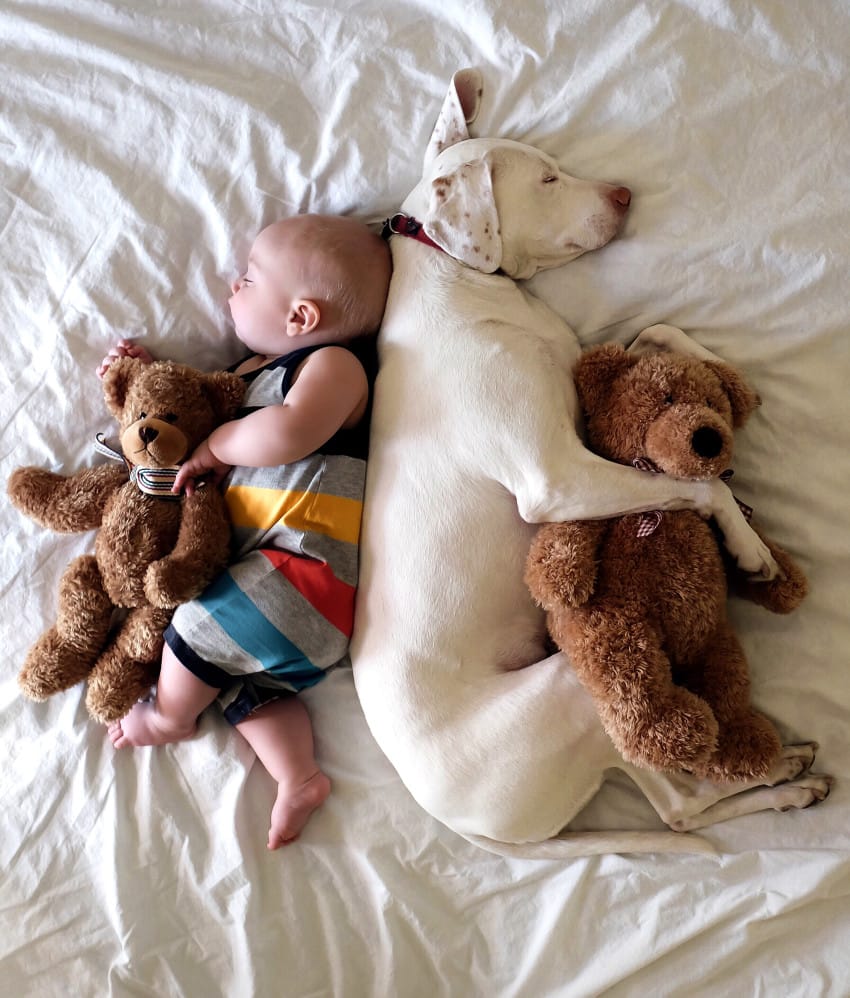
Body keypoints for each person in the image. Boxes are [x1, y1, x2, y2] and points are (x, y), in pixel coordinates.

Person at [98, 214, 392, 849]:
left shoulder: (335, 367)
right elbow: (195, 403)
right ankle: (299, 776)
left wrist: (216, 447)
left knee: (197, 628)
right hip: (277, 600)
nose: (234, 285)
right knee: (239, 685)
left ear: (301, 319)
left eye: (250, 279)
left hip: (303, 575)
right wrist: (147, 376)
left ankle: (172, 716)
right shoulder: (256, 375)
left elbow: (289, 432)